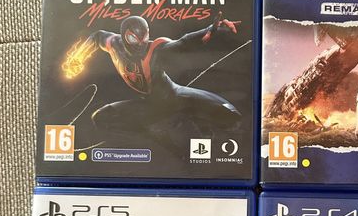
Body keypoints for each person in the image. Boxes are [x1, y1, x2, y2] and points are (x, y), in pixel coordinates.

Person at [62, 13, 242, 150]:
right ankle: (154, 133)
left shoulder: (155, 49)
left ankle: (186, 123)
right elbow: (96, 37)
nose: (140, 43)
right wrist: (78, 57)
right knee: (101, 118)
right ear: (124, 36)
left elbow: (183, 43)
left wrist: (210, 30)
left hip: (173, 97)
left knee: (231, 116)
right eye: (133, 38)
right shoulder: (113, 44)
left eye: (144, 37)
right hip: (150, 106)